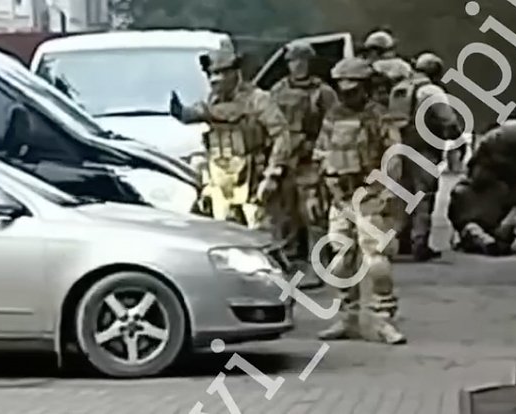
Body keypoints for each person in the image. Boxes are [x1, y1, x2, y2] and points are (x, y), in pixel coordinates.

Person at [313, 56, 406, 345]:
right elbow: (321, 153)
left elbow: (394, 156)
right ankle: (347, 317)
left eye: (353, 88)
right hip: (340, 196)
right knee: (340, 262)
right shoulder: (333, 117)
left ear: (365, 87)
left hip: (369, 195)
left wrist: (386, 191)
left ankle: (383, 318)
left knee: (376, 261)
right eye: (342, 88)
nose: (347, 94)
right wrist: (321, 189)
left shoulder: (379, 117)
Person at [169, 40, 292, 234]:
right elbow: (197, 115)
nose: (215, 80)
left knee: (261, 235)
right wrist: (181, 112)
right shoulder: (213, 100)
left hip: (253, 182)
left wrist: (273, 174)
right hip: (222, 183)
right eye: (212, 74)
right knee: (224, 235)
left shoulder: (258, 99)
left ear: (234, 73)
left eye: (221, 73)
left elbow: (282, 136)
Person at [269, 40, 338, 268]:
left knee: (313, 213)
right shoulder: (277, 91)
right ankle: (288, 263)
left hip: (310, 161)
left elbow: (334, 124)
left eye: (302, 61)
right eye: (293, 61)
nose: (298, 66)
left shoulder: (323, 92)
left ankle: (318, 262)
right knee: (284, 214)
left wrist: (320, 151)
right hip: (285, 160)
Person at [388, 52, 463, 261]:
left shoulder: (399, 89)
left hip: (398, 147)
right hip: (423, 149)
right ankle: (419, 242)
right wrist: (456, 138)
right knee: (423, 196)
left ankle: (400, 241)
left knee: (402, 195)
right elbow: (448, 120)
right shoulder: (431, 91)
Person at [449, 120, 516, 255]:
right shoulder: (505, 184)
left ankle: (486, 239)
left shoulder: (466, 188)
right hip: (496, 217)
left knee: (472, 227)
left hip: (485, 216)